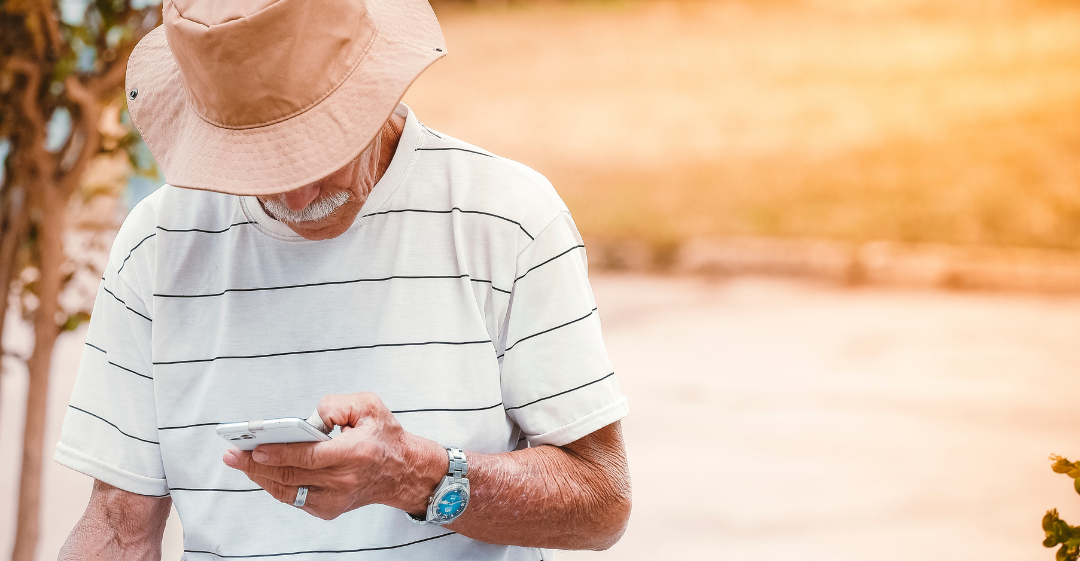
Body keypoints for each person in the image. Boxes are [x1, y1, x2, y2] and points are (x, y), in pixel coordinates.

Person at [55, 0, 631, 558]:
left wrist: (416, 476)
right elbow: (117, 530)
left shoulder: (507, 217)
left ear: (375, 88)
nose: (296, 197)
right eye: (257, 158)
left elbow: (602, 501)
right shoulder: (158, 243)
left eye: (315, 148)